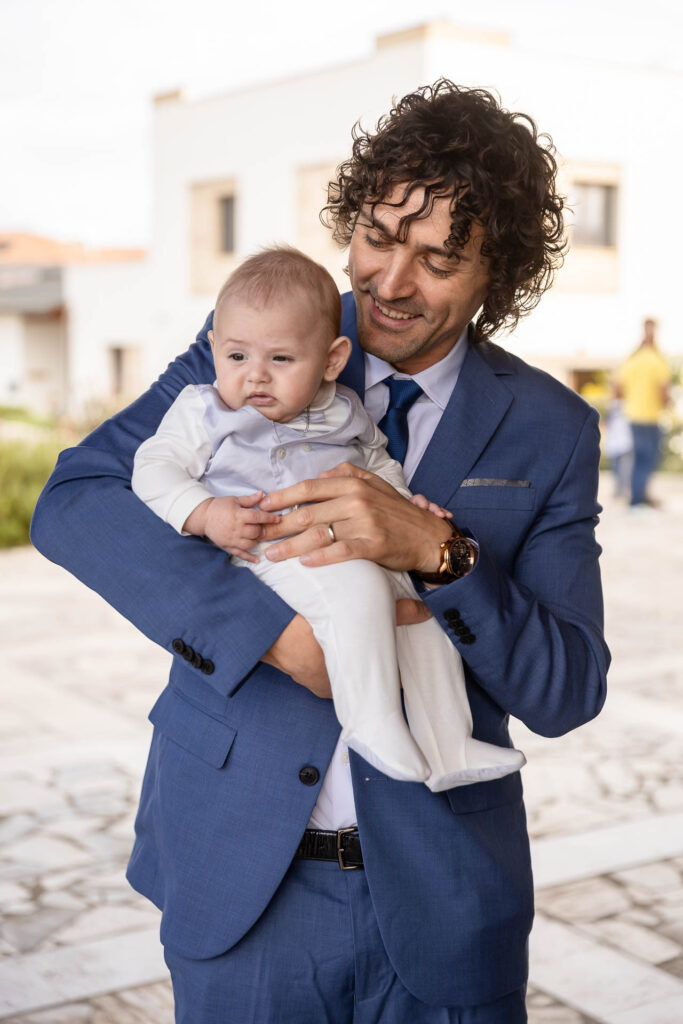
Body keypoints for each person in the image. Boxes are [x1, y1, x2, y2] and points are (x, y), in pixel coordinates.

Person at [31, 80, 609, 1023]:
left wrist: (439, 550)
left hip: (447, 901)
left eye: (436, 259)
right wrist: (274, 638)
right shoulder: (264, 333)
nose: (388, 281)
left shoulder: (551, 427)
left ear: (493, 272)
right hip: (241, 885)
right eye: (379, 237)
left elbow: (565, 689)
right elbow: (75, 501)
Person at [131, 244, 524, 790]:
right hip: (268, 553)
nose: (256, 377)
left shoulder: (343, 409)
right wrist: (204, 513)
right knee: (359, 589)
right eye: (237, 357)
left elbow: (376, 462)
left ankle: (449, 742)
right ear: (215, 348)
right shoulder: (205, 410)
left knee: (422, 612)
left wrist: (404, 505)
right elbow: (151, 466)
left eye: (282, 360)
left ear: (331, 360)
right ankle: (372, 722)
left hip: (346, 545)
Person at [615, 318, 671, 507]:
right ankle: (637, 500)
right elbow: (664, 391)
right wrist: (668, 403)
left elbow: (619, 389)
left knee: (640, 458)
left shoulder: (632, 361)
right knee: (648, 459)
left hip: (633, 415)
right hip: (650, 417)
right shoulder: (657, 360)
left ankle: (641, 496)